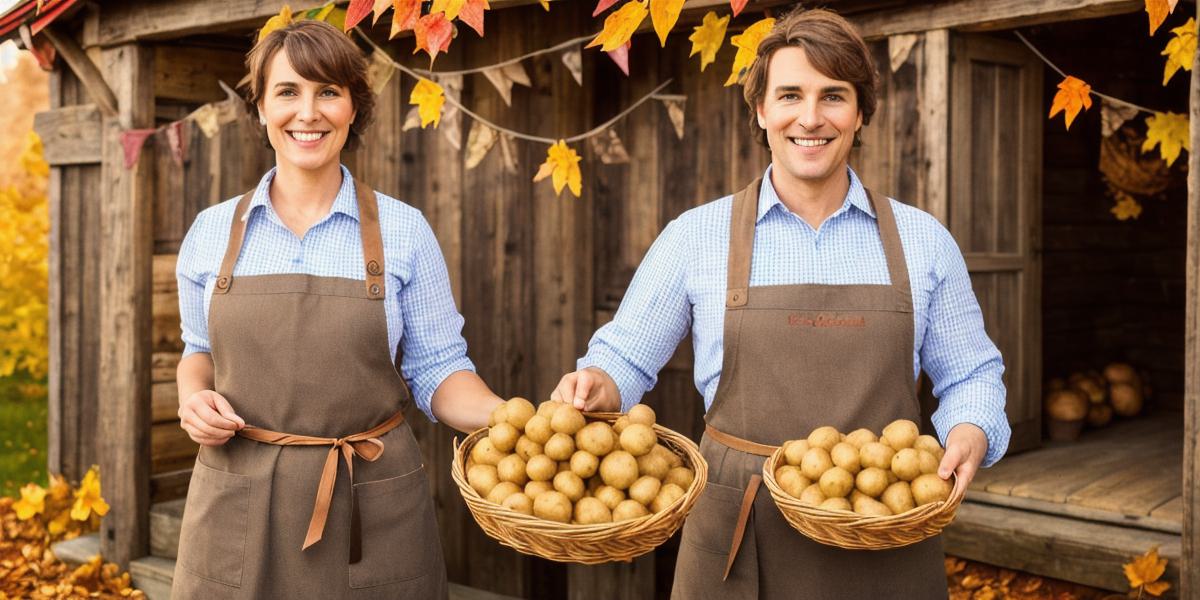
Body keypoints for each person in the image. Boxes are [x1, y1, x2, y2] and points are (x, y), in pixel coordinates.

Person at [551, 8, 1009, 599]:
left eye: (834, 96)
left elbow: (972, 373)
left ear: (861, 112)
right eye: (790, 94)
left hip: (881, 522)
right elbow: (626, 358)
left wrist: (970, 429)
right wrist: (596, 383)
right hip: (739, 535)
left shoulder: (923, 241)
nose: (811, 118)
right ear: (762, 110)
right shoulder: (697, 236)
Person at [172, 20, 499, 599]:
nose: (308, 112)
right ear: (262, 107)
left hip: (370, 504)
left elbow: (440, 370)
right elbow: (198, 353)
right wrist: (191, 397)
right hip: (238, 498)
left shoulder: (403, 231)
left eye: (328, 91)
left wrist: (514, 421)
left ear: (354, 107)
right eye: (288, 92)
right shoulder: (211, 232)